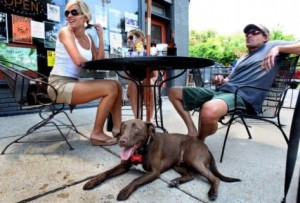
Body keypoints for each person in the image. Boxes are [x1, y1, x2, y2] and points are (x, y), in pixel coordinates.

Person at [168, 24, 300, 140]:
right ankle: (192, 131)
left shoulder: (273, 46)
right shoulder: (242, 58)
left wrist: (278, 49)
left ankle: (199, 141)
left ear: (266, 37)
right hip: (223, 91)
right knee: (174, 92)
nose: (249, 35)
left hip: (243, 96)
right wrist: (221, 79)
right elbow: (230, 80)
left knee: (208, 110)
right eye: (247, 33)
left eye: (255, 32)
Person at [47, 0, 122, 146]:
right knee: (110, 87)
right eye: (67, 13)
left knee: (117, 84)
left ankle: (118, 129)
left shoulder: (88, 38)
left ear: (85, 17)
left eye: (74, 12)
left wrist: (100, 36)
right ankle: (97, 133)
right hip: (58, 85)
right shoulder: (65, 32)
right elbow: (78, 60)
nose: (69, 16)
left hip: (73, 83)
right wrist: (89, 63)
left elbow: (98, 62)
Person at [126, 29, 158, 120]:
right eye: (127, 38)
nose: (128, 40)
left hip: (148, 84)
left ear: (139, 38)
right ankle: (137, 119)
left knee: (147, 82)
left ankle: (150, 118)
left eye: (131, 37)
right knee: (133, 83)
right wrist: (130, 84)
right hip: (134, 85)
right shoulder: (128, 54)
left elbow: (155, 76)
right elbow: (127, 75)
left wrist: (150, 80)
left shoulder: (149, 52)